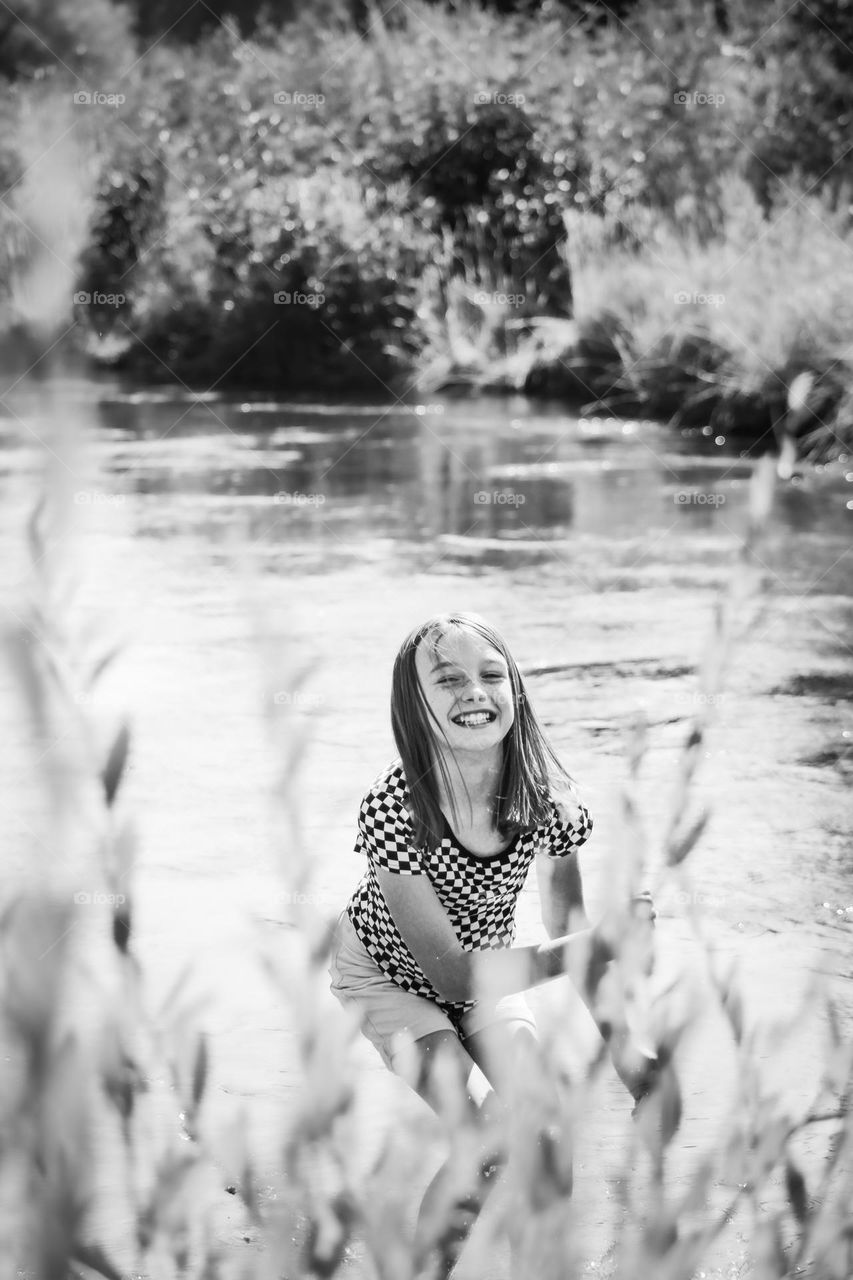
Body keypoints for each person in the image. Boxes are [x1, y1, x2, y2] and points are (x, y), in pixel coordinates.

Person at [328, 612, 654, 1277]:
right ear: (414, 708)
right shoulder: (395, 810)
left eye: (489, 674)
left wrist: (626, 1048)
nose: (473, 692)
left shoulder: (549, 805)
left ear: (515, 692)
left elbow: (569, 926)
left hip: (492, 973)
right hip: (386, 981)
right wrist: (595, 946)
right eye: (446, 680)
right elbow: (452, 982)